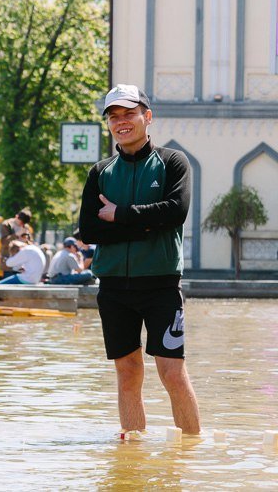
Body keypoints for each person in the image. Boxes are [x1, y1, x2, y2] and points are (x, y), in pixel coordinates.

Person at [78, 83, 200, 435]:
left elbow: (175, 211)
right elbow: (89, 230)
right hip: (113, 288)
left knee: (172, 372)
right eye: (113, 116)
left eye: (129, 113)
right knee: (127, 371)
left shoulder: (173, 161)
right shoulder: (100, 172)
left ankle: (192, 451)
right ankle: (133, 455)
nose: (121, 121)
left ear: (147, 116)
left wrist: (119, 215)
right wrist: (147, 223)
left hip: (161, 286)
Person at [0, 208, 33, 277]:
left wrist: (26, 240)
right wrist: (16, 234)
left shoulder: (26, 227)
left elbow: (31, 244)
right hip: (9, 264)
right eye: (21, 222)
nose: (21, 225)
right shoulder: (6, 224)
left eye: (23, 223)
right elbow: (4, 242)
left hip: (22, 264)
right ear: (16, 216)